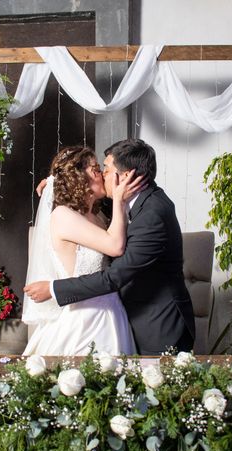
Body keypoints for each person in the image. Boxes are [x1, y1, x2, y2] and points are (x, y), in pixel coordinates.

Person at [25, 139, 195, 355]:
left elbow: (115, 275)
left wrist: (53, 288)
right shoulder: (107, 207)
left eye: (105, 169)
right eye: (98, 169)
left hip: (157, 322)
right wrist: (55, 181)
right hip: (98, 317)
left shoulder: (153, 213)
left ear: (125, 176)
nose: (102, 174)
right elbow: (89, 205)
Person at [22, 146, 142, 356]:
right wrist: (119, 202)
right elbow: (115, 246)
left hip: (112, 312)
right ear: (79, 179)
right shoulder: (63, 215)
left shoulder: (97, 214)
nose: (105, 175)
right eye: (97, 170)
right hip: (83, 319)